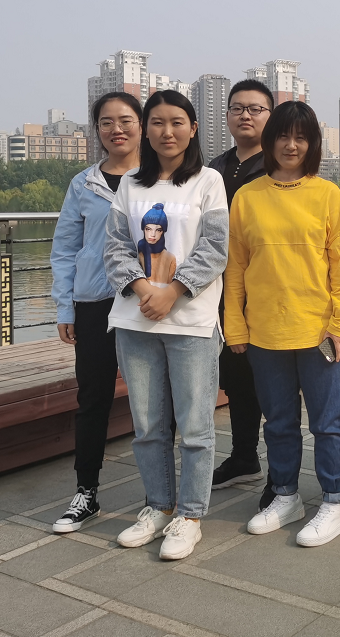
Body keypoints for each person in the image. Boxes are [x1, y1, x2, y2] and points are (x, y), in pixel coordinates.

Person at [225, 100, 340, 548]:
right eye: (283, 135)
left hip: (319, 331)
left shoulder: (327, 195)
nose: (291, 145)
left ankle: (334, 503)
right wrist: (235, 327)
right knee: (279, 422)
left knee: (327, 422)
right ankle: (286, 495)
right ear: (270, 141)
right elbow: (235, 268)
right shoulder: (247, 197)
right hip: (265, 331)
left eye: (301, 137)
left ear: (313, 144)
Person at [103, 90, 229, 561]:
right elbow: (115, 246)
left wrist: (173, 291)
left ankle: (190, 516)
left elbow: (215, 247)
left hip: (191, 322)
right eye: (157, 122)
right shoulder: (130, 185)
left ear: (193, 128)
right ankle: (158, 506)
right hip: (135, 320)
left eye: (177, 122)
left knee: (195, 426)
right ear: (146, 129)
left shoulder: (208, 181)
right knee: (148, 425)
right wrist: (142, 288)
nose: (167, 131)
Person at [49, 92, 143, 533]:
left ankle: (159, 494)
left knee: (153, 399)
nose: (116, 129)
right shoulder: (83, 184)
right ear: (97, 130)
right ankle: (85, 491)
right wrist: (65, 305)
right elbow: (65, 248)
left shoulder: (158, 178)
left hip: (145, 301)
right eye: (106, 122)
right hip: (93, 305)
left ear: (141, 125)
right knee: (92, 399)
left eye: (125, 120)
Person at [207, 79, 273, 509]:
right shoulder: (216, 166)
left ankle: (281, 469)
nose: (245, 115)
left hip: (265, 286)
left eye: (255, 109)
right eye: (237, 108)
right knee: (235, 377)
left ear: (271, 116)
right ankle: (245, 456)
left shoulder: (279, 164)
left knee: (271, 380)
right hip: (219, 286)